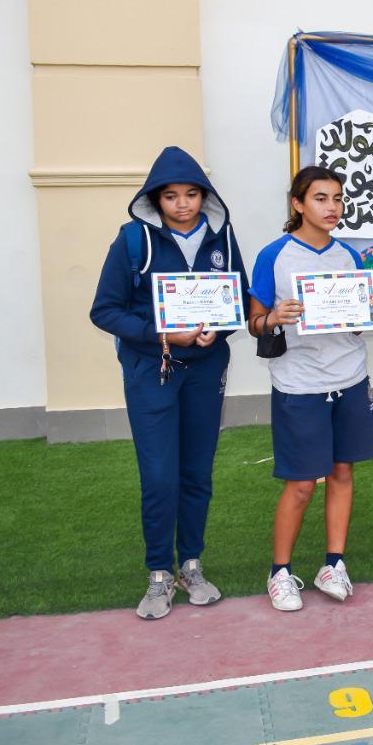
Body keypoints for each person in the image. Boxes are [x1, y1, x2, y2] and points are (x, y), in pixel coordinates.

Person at [91, 146, 248, 620]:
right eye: (172, 196)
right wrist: (162, 333)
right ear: (155, 199)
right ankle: (159, 574)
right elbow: (104, 311)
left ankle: (192, 566)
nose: (183, 205)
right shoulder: (132, 240)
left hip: (205, 370)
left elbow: (237, 298)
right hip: (151, 372)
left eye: (192, 194)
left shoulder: (221, 234)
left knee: (197, 473)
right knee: (159, 477)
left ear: (205, 195)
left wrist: (216, 331)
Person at [248, 166, 373, 611]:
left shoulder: (348, 256)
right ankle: (280, 572)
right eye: (321, 198)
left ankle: (334, 563)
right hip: (299, 383)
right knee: (303, 483)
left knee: (342, 473)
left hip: (349, 377)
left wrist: (371, 308)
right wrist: (274, 317)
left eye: (338, 199)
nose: (332, 208)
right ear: (298, 203)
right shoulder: (275, 255)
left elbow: (357, 325)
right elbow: (255, 322)